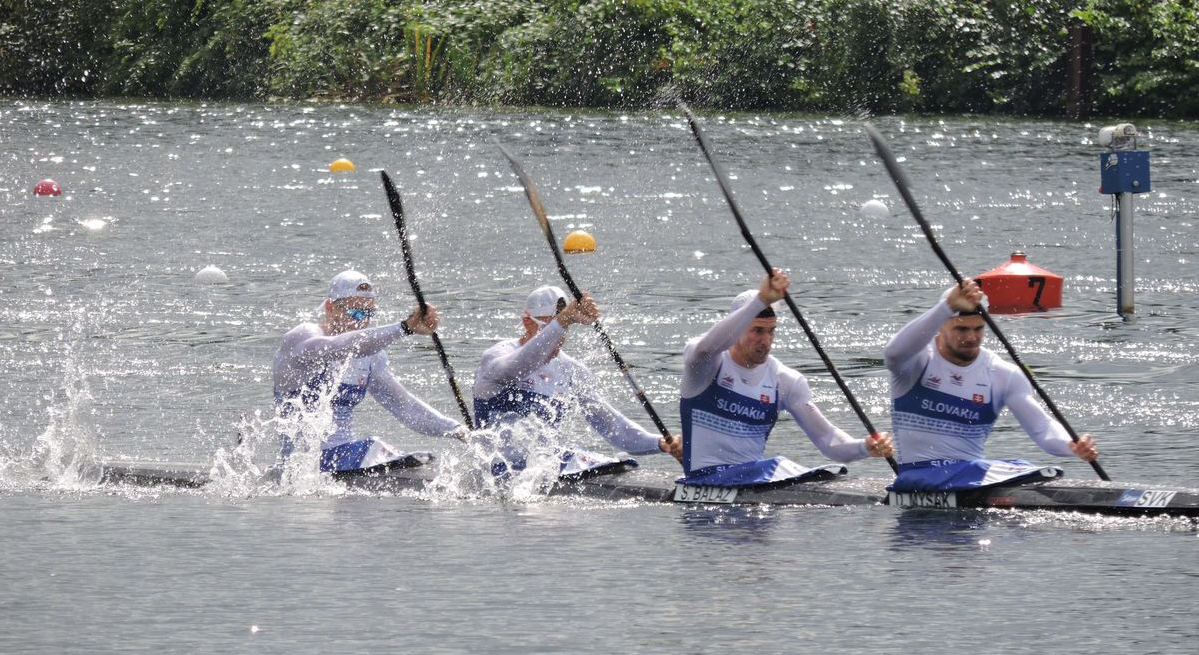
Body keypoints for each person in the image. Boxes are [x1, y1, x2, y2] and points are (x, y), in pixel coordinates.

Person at [678, 269, 893, 486]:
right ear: (737, 328)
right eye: (757, 331)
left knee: (833, 472)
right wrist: (761, 300)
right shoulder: (705, 365)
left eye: (771, 331)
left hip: (753, 483)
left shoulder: (784, 379)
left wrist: (864, 447)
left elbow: (826, 439)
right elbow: (705, 349)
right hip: (703, 479)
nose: (766, 340)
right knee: (781, 464)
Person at [882, 278, 1099, 491]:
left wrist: (1070, 445)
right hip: (918, 475)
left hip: (972, 478)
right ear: (941, 326)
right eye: (961, 330)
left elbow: (1042, 428)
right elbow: (893, 354)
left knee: (1022, 466)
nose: (971, 337)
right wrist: (947, 306)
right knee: (1018, 471)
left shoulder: (1003, 374)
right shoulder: (917, 361)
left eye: (978, 329)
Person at [472, 285, 682, 475]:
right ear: (526, 322)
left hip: (545, 467)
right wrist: (561, 321)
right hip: (499, 468)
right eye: (549, 328)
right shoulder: (497, 356)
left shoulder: (571, 370)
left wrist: (660, 443)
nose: (558, 337)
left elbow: (611, 425)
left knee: (622, 464)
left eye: (565, 328)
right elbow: (516, 367)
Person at [273, 270, 466, 472]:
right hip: (302, 467)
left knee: (422, 462)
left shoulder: (372, 357)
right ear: (330, 307)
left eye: (368, 314)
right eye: (355, 312)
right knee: (375, 447)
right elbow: (343, 346)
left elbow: (406, 408)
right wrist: (405, 327)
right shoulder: (303, 336)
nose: (361, 321)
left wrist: (457, 430)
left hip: (345, 460)